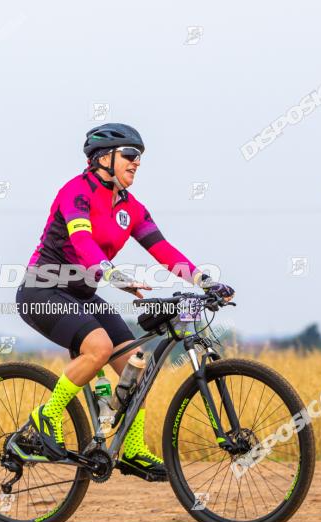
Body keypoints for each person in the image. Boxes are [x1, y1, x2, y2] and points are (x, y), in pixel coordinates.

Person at [16, 124, 234, 481]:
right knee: (99, 347)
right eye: (130, 155)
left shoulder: (131, 208)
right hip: (42, 290)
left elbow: (163, 250)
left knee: (137, 367)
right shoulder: (76, 191)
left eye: (140, 158)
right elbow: (82, 242)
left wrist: (204, 280)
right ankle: (47, 417)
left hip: (83, 295)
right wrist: (113, 275)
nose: (137, 163)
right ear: (104, 158)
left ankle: (131, 450)